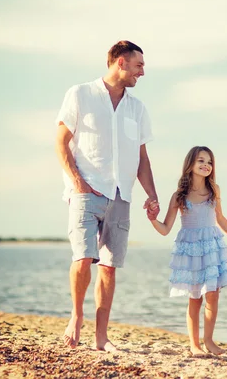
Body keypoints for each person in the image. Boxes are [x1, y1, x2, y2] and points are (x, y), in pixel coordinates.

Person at [55, 40, 160, 352]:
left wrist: (152, 195)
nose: (143, 72)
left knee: (110, 267)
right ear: (121, 63)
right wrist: (77, 182)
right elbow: (61, 141)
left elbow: (142, 158)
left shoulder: (137, 108)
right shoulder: (80, 94)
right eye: (139, 65)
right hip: (86, 191)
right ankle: (76, 316)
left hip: (121, 196)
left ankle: (101, 337)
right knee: (83, 257)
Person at [146, 146, 227, 357]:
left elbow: (220, 218)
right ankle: (194, 344)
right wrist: (153, 219)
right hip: (191, 249)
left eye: (209, 161)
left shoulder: (214, 190)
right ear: (190, 164)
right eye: (201, 160)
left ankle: (208, 340)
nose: (206, 165)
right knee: (195, 297)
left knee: (213, 294)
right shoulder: (179, 195)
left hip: (211, 246)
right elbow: (165, 229)